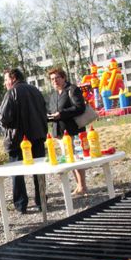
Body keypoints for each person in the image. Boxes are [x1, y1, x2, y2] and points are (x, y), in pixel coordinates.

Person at [0, 68, 48, 214]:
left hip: (17, 139)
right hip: (38, 136)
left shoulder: (11, 92)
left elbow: (4, 118)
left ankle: (21, 205)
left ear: (13, 78)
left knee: (17, 173)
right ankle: (41, 201)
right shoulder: (35, 90)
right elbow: (44, 111)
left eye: (6, 79)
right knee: (39, 171)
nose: (4, 83)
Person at [47, 67, 88, 195]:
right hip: (60, 133)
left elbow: (80, 108)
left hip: (74, 131)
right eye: (52, 79)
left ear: (63, 77)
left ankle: (82, 186)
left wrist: (62, 113)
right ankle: (78, 185)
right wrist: (49, 117)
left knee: (77, 157)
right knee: (69, 159)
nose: (55, 81)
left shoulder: (72, 89)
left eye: (57, 78)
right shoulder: (53, 95)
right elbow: (52, 111)